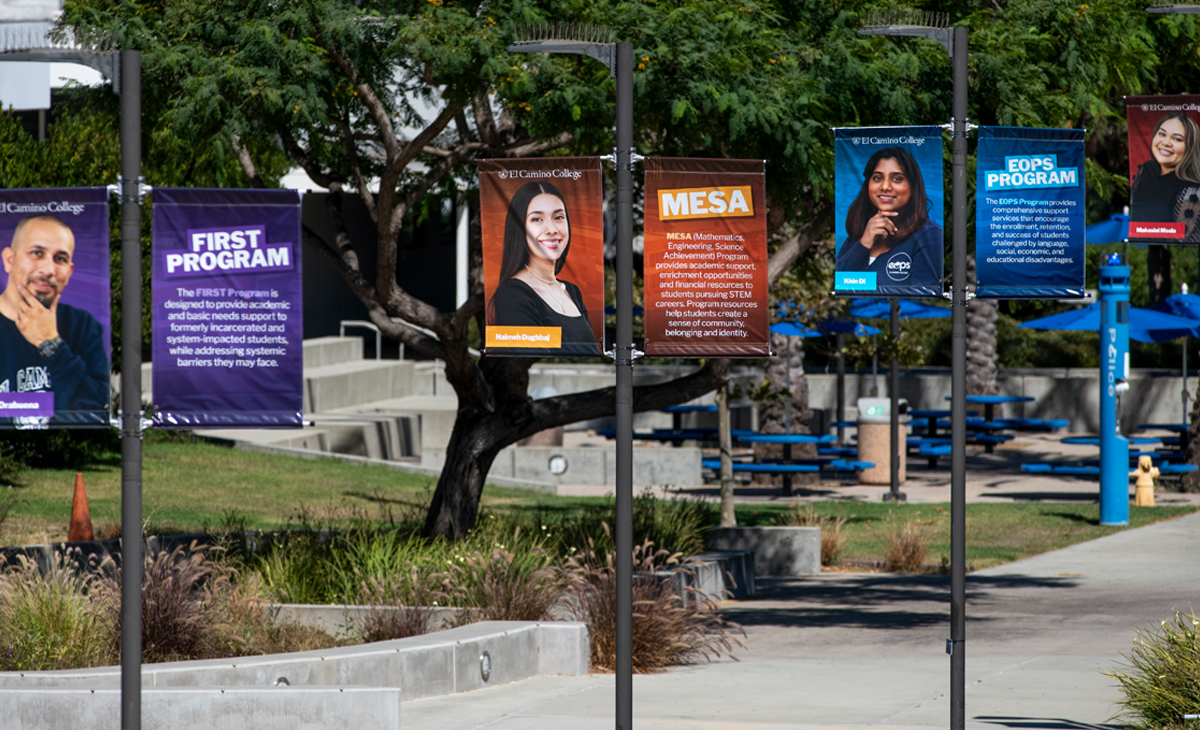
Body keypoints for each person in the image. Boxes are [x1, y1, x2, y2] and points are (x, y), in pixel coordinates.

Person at [0, 214, 109, 428]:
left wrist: (50, 343)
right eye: (37, 253)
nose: (48, 270)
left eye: (60, 259)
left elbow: (95, 411)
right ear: (9, 260)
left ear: (69, 273)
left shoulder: (83, 326)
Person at [487, 181, 600, 355]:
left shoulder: (572, 291)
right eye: (537, 219)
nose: (552, 229)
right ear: (519, 228)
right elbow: (533, 357)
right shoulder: (512, 294)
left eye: (558, 217)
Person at [837, 146, 943, 292]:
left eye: (897, 179)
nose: (885, 186)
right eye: (878, 178)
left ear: (912, 187)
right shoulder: (859, 234)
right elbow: (840, 285)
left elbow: (925, 295)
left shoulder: (929, 235)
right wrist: (864, 243)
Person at [1130, 112, 1200, 241]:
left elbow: (1185, 239)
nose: (1166, 143)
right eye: (1162, 134)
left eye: (1177, 139)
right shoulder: (1145, 171)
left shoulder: (1193, 188)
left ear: (1190, 148)